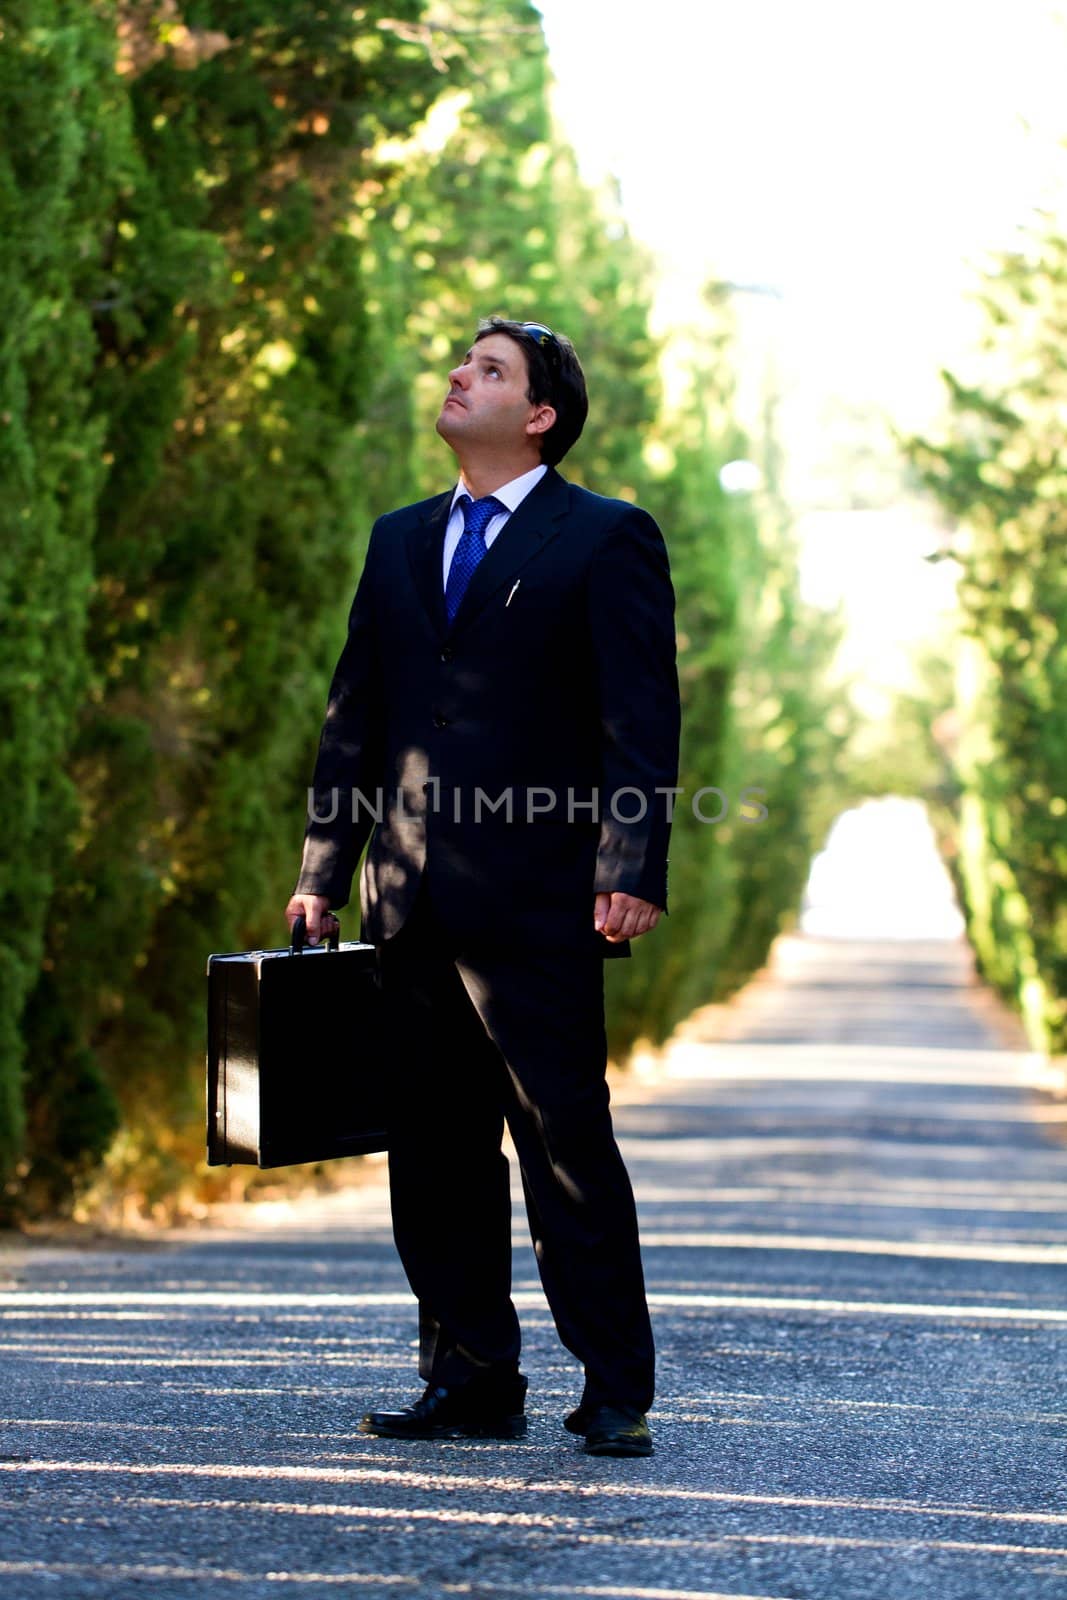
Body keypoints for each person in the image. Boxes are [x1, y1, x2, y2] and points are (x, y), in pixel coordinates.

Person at [286, 317, 680, 1458]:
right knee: (435, 1155)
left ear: (540, 413)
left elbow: (637, 721)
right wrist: (323, 870)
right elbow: (352, 720)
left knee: (565, 1147)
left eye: (489, 369)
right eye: (463, 363)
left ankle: (614, 1386)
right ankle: (469, 1378)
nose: (460, 375)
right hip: (403, 905)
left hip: (540, 902)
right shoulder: (398, 539)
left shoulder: (604, 537)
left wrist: (629, 866)